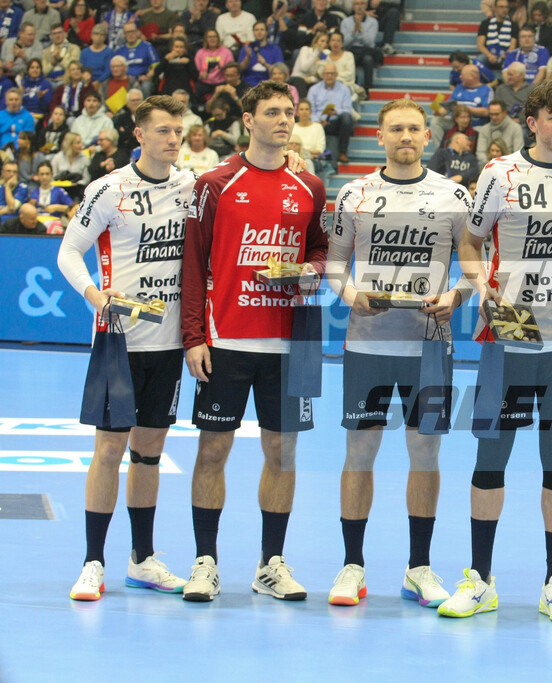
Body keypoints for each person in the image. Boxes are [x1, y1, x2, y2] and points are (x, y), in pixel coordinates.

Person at [438, 80, 552, 622]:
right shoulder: (498, 174)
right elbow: (470, 241)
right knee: (492, 457)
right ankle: (480, 579)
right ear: (532, 122)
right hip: (510, 336)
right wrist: (480, 283)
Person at [180, 81, 328, 603]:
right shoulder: (215, 184)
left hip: (289, 342)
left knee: (282, 452)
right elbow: (193, 266)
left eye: (289, 112)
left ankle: (270, 564)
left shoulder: (311, 186)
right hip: (226, 339)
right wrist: (194, 336)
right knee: (213, 450)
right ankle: (205, 562)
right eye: (272, 112)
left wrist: (303, 269)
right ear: (248, 120)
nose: (284, 120)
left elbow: (324, 254)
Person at [324, 98, 472, 609]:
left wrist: (456, 296)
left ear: (427, 137)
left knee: (424, 454)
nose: (405, 136)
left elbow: (476, 265)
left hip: (429, 346)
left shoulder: (453, 195)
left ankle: (419, 568)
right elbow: (334, 265)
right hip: (368, 343)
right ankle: (352, 566)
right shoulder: (354, 194)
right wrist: (348, 296)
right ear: (379, 137)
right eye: (395, 129)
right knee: (359, 453)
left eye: (413, 129)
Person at [57, 94, 194, 602]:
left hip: (169, 341)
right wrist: (94, 294)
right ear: (140, 135)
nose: (174, 140)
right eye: (163, 131)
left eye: (178, 131)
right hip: (120, 339)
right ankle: (93, 562)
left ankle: (143, 559)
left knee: (150, 452)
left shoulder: (191, 186)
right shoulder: (108, 189)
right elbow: (69, 250)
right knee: (109, 448)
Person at [308, 61, 355, 164]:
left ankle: (342, 152)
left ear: (336, 75)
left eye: (332, 73)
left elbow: (348, 110)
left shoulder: (344, 89)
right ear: (323, 75)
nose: (329, 76)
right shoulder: (314, 90)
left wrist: (337, 111)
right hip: (319, 123)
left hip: (336, 122)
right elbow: (310, 109)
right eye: (327, 73)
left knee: (346, 118)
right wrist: (317, 121)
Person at [341, 0, 379, 91]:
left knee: (368, 59)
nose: (359, 6)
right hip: (351, 50)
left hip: (366, 51)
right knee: (349, 57)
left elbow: (370, 42)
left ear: (366, 6)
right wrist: (354, 31)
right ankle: (350, 89)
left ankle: (368, 89)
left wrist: (360, 29)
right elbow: (344, 43)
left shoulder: (373, 22)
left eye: (362, 3)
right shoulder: (345, 22)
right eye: (357, 4)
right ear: (353, 6)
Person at [115, 22, 160, 96]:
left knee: (146, 86)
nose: (130, 34)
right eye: (127, 32)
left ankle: (145, 107)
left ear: (137, 32)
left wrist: (147, 76)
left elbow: (156, 65)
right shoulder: (120, 50)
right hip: (126, 80)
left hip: (143, 80)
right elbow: (116, 69)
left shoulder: (147, 46)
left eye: (132, 31)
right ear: (124, 34)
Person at [474, 100, 523, 166]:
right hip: (488, 165)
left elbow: (518, 154)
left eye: (496, 114)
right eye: (491, 114)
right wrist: (491, 165)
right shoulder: (484, 129)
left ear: (504, 113)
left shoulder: (516, 128)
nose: (493, 117)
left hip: (508, 165)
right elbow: (480, 153)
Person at [477, 0, 518, 73]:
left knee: (512, 61)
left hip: (505, 55)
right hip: (489, 54)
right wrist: (490, 56)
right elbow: (480, 45)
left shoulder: (514, 25)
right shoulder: (485, 23)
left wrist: (505, 55)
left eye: (506, 7)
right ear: (495, 8)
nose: (504, 9)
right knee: (479, 60)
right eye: (501, 7)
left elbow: (513, 46)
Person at [239, 21, 284, 88]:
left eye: (262, 30)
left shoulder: (275, 49)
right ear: (253, 32)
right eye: (256, 30)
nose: (259, 32)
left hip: (269, 84)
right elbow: (240, 69)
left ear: (266, 32)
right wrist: (248, 58)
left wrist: (264, 64)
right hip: (248, 84)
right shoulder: (246, 48)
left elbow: (280, 71)